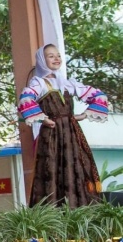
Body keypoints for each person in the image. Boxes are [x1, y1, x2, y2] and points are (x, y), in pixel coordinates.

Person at [18, 44, 108, 207]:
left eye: (58, 55)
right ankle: (55, 211)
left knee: (77, 167)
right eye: (51, 56)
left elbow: (98, 96)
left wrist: (84, 115)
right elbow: (25, 99)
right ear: (42, 60)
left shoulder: (66, 83)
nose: (56, 59)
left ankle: (79, 208)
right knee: (52, 168)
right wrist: (43, 119)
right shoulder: (39, 82)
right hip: (53, 134)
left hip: (72, 132)